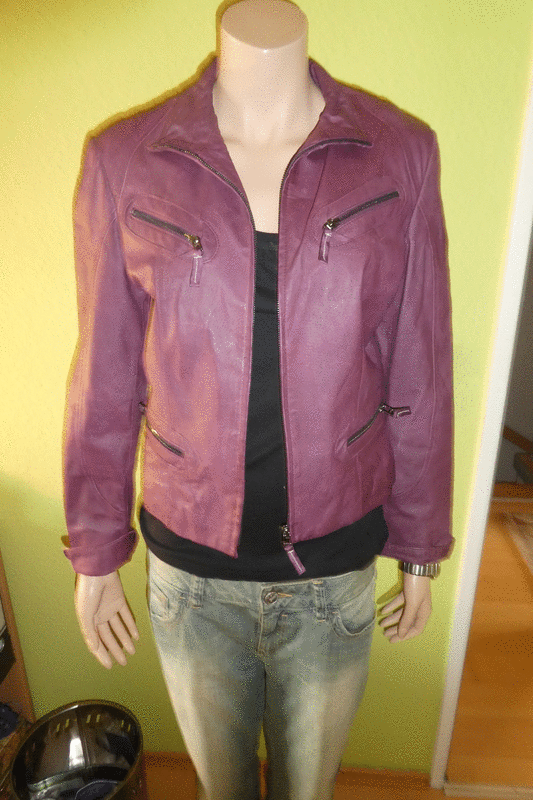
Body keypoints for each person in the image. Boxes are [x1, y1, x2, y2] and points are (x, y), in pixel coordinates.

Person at [64, 1, 454, 798]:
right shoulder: (125, 159)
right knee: (223, 788)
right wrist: (95, 545)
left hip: (332, 567)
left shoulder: (399, 152)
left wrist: (419, 542)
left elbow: (420, 363)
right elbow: (105, 373)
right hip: (191, 571)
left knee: (308, 789)